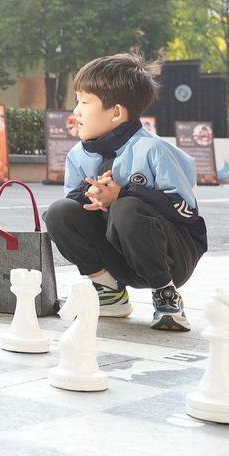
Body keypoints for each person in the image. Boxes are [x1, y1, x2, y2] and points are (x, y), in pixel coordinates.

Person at [43, 54, 207, 332]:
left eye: (84, 102)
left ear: (116, 113)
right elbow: (74, 205)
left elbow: (186, 211)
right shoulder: (78, 155)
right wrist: (91, 195)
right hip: (120, 257)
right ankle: (109, 290)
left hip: (172, 257)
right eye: (77, 101)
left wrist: (125, 193)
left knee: (126, 208)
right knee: (59, 212)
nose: (76, 112)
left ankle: (166, 295)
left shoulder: (154, 150)